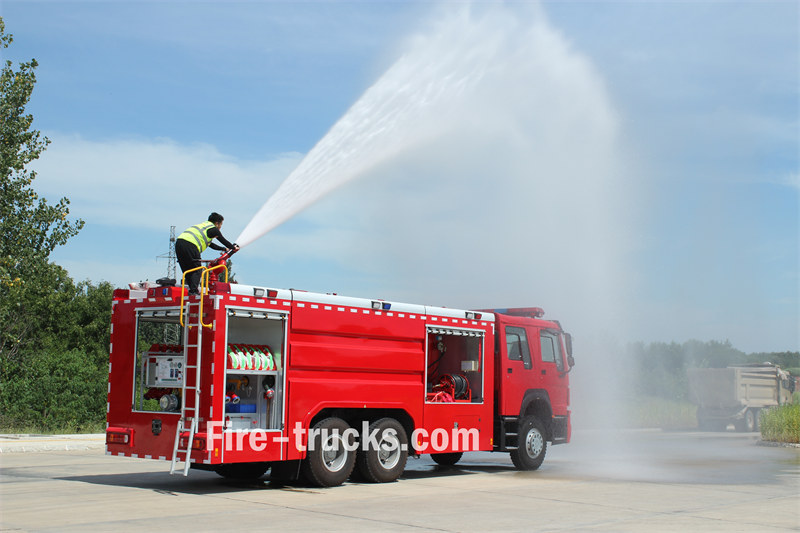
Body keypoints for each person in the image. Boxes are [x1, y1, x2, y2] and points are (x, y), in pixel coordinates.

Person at [175, 212, 239, 294]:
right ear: (217, 223)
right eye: (220, 225)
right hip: (190, 245)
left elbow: (210, 244)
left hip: (179, 244)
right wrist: (233, 248)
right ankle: (193, 291)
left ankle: (191, 290)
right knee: (197, 270)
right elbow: (223, 240)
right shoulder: (214, 229)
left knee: (188, 269)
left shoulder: (203, 226)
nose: (220, 227)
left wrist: (223, 249)